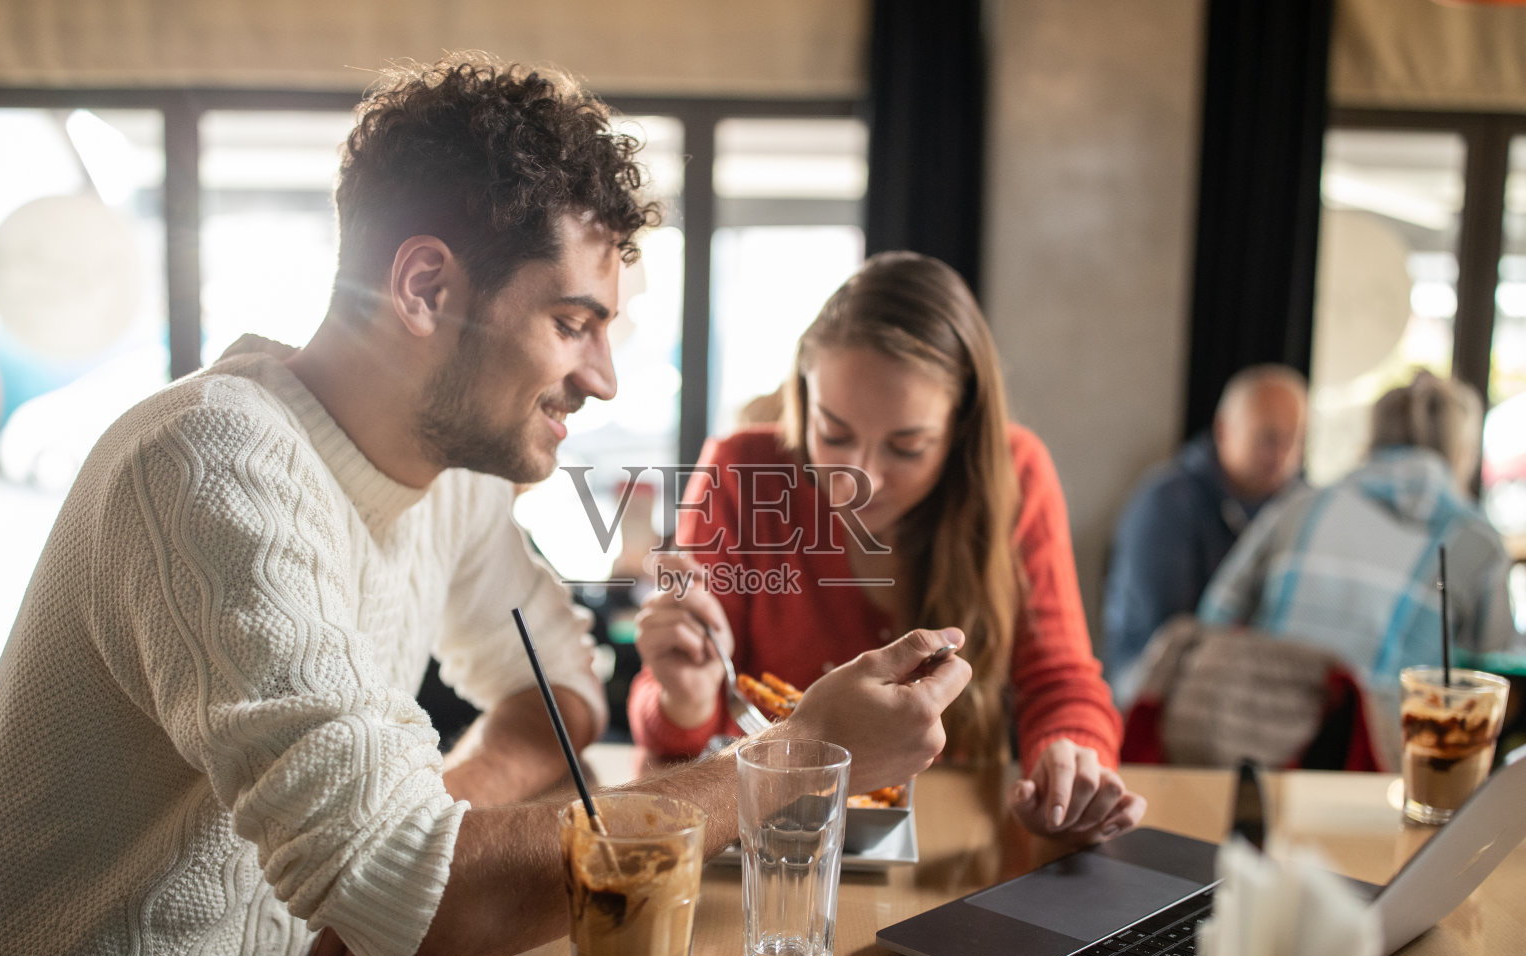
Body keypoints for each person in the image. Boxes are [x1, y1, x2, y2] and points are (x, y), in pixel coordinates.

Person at [0, 57, 966, 956]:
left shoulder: (452, 471)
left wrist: (419, 837)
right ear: (425, 285)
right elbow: (430, 917)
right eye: (573, 323)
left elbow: (559, 688)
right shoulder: (211, 465)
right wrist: (793, 755)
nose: (602, 378)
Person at [629, 252, 1146, 845]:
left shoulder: (1015, 474)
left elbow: (1058, 681)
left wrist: (1070, 756)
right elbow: (674, 729)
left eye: (907, 447)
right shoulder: (739, 471)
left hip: (949, 856)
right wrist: (687, 700)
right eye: (834, 433)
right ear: (802, 398)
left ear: (959, 430)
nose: (859, 477)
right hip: (767, 848)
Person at [1199, 371, 1523, 768]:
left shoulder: (1299, 506)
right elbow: (1493, 678)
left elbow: (1214, 617)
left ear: (1373, 436)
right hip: (1389, 764)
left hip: (1258, 748)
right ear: (1462, 451)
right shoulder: (1476, 541)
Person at [1102, 364, 1308, 701]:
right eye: (1268, 438)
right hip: (1151, 676)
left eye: (1295, 440)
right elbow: (1168, 639)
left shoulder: (1299, 507)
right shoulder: (1166, 504)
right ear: (1224, 430)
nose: (1283, 455)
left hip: (1238, 678)